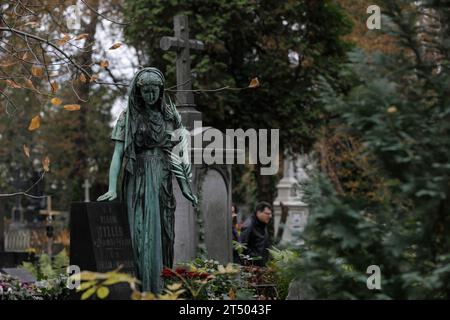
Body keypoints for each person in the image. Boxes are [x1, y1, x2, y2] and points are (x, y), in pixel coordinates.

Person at [97, 67, 198, 293]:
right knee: (140, 235)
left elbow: (176, 156)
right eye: (146, 92)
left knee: (164, 234)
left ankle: (159, 288)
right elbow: (117, 154)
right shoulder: (128, 117)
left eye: (155, 91)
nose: (151, 96)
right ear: (139, 91)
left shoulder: (169, 117)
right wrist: (112, 187)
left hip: (162, 179)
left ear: (161, 91)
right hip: (139, 180)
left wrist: (184, 187)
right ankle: (141, 289)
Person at [239, 201, 272, 266]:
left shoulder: (262, 224)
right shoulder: (249, 225)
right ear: (258, 212)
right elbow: (242, 247)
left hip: (261, 267)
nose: (270, 216)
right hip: (251, 268)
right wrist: (254, 259)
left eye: (270, 214)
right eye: (267, 214)